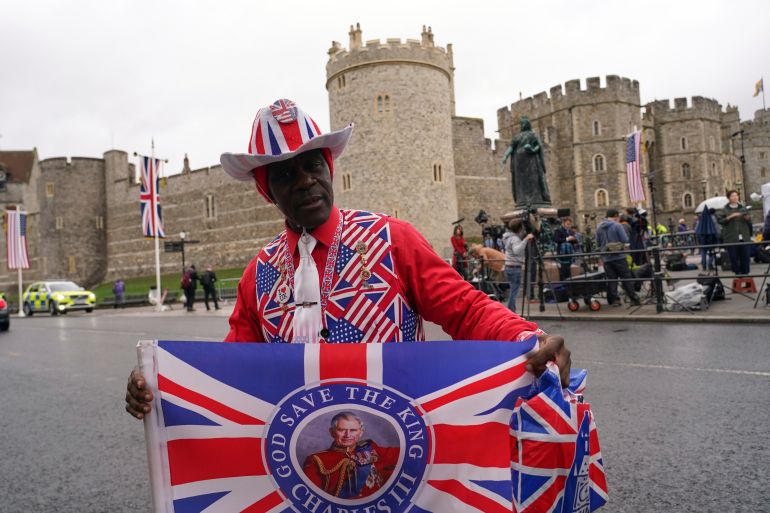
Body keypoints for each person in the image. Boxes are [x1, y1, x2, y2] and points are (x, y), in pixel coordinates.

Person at [126, 98, 570, 419]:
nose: (304, 181)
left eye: (313, 166)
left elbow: (466, 310)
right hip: (297, 466)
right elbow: (229, 373)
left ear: (329, 169)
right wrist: (159, 387)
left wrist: (530, 336)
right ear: (268, 191)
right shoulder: (258, 275)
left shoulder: (391, 239)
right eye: (285, 174)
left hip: (400, 449)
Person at [302, 412, 399, 499]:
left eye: (353, 430)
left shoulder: (372, 449)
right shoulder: (317, 460)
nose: (347, 435)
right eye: (341, 430)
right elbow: (312, 498)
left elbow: (408, 454)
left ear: (360, 432)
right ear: (332, 432)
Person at [500, 116, 551, 208]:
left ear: (527, 124)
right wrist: (505, 156)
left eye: (523, 123)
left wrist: (532, 149)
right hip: (519, 163)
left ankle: (536, 199)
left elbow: (538, 146)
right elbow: (511, 147)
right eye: (521, 124)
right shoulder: (517, 136)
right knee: (521, 182)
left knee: (533, 180)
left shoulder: (532, 135)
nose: (522, 125)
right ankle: (522, 199)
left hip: (531, 161)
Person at [596, 208, 641, 306]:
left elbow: (598, 243)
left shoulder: (599, 227)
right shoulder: (617, 225)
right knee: (626, 278)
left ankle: (615, 300)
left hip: (607, 258)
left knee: (612, 280)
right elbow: (625, 239)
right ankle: (633, 299)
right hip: (619, 256)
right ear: (616, 216)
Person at [716, 190, 753, 276]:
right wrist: (730, 217)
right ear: (729, 198)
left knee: (745, 257)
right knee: (734, 257)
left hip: (744, 237)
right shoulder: (724, 210)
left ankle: (746, 274)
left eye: (736, 195)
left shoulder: (743, 208)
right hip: (731, 238)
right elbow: (720, 221)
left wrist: (748, 218)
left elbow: (749, 222)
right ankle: (737, 273)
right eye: (732, 196)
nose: (735, 197)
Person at [502, 219, 533, 312]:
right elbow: (517, 250)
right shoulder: (514, 238)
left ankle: (511, 310)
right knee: (514, 291)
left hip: (508, 266)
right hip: (514, 267)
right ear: (519, 228)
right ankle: (511, 311)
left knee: (513, 289)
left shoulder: (507, 237)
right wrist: (526, 239)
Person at [553, 217, 578, 283]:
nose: (569, 226)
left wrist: (574, 239)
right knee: (563, 270)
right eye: (567, 224)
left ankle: (569, 284)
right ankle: (564, 284)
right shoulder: (558, 230)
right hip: (562, 253)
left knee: (569, 269)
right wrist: (567, 239)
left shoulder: (571, 231)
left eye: (570, 224)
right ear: (563, 223)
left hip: (569, 253)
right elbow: (556, 239)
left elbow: (575, 242)